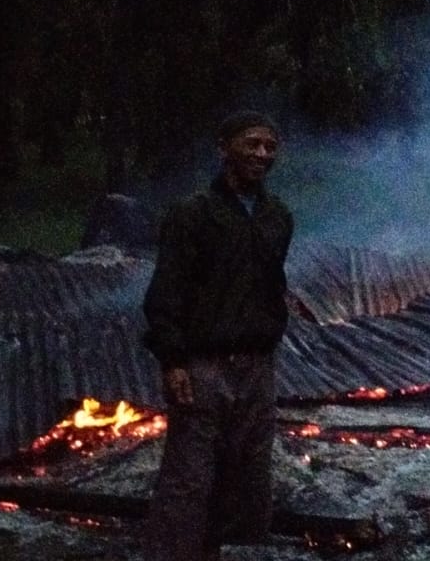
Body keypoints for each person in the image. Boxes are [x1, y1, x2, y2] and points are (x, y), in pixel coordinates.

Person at [142, 111, 294, 561]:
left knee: (249, 475)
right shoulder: (193, 215)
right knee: (188, 478)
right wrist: (173, 361)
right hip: (204, 368)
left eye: (270, 146)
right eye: (252, 144)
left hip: (256, 366)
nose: (262, 155)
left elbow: (272, 286)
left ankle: (226, 553)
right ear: (224, 148)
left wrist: (270, 337)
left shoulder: (277, 217)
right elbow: (166, 292)